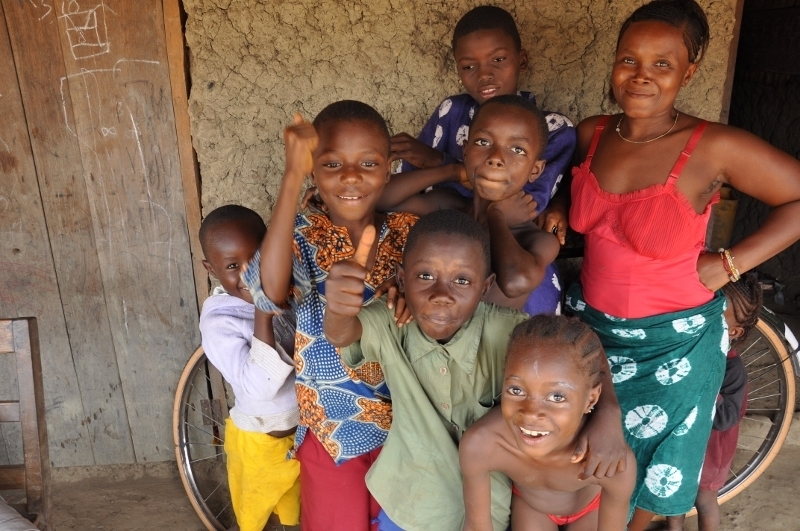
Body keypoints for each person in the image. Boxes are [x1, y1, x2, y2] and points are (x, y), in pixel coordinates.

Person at [565, 1, 800, 529]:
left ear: (689, 72)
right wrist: (560, 210)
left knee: (657, 467)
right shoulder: (593, 134)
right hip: (592, 334)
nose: (641, 75)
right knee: (582, 464)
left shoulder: (713, 146)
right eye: (629, 59)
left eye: (662, 64)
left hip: (676, 345)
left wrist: (731, 264)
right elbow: (567, 195)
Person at [322, 209, 624, 531]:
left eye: (462, 280)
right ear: (401, 278)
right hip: (411, 502)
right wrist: (338, 309)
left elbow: (580, 346)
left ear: (485, 287)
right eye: (425, 276)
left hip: (490, 507)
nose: (441, 295)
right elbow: (342, 334)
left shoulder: (508, 332)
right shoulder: (391, 320)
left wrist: (608, 413)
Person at [240, 100, 417, 531]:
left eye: (368, 163)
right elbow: (268, 294)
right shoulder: (302, 235)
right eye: (332, 163)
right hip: (332, 432)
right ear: (313, 173)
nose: (351, 176)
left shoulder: (410, 234)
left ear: (389, 170)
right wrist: (290, 176)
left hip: (409, 428)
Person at [387, 5, 576, 314]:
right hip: (446, 250)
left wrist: (439, 162)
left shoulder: (552, 128)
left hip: (513, 255)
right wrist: (451, 170)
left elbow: (522, 204)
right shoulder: (451, 112)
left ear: (522, 60)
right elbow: (400, 192)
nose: (485, 74)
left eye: (498, 60)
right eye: (468, 66)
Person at [379, 95, 561, 313]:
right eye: (483, 142)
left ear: (535, 170)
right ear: (465, 151)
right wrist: (453, 171)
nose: (496, 158)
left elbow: (515, 282)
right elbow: (380, 199)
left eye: (517, 150)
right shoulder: (449, 206)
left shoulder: (537, 240)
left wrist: (496, 217)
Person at [460, 315, 636, 531]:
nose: (531, 414)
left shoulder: (609, 460)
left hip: (592, 508)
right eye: (516, 390)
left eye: (557, 397)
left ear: (590, 400)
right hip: (533, 507)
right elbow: (476, 526)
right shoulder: (481, 444)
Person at [198, 204, 299, 531]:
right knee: (257, 519)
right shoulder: (219, 324)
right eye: (232, 266)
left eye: (257, 258)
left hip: (301, 435)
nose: (249, 274)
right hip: (259, 444)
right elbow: (259, 386)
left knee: (295, 515)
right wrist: (262, 314)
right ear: (211, 269)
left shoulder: (287, 293)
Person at [665, 274, 762, 531]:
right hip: (684, 446)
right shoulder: (691, 355)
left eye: (715, 317)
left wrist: (703, 386)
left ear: (734, 331)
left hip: (711, 451)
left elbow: (727, 417)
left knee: (705, 501)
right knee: (675, 497)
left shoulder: (733, 369)